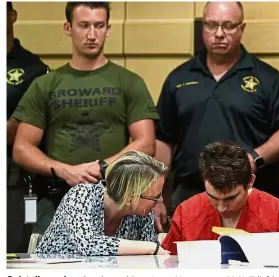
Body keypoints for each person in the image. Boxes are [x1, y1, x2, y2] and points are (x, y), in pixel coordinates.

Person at [11, 2, 158, 234]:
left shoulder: (130, 82)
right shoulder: (45, 84)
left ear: (108, 29)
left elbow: (146, 144)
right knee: (49, 267)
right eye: (84, 25)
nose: (92, 35)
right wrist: (63, 170)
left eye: (99, 26)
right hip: (55, 197)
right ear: (68, 27)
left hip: (113, 197)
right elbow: (21, 148)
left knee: (113, 266)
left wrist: (100, 167)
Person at [154, 1, 279, 219]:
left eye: (228, 26)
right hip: (191, 195)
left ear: (241, 29)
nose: (219, 33)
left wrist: (254, 158)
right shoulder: (179, 78)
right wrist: (156, 194)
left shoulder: (267, 78)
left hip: (250, 195)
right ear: (203, 28)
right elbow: (163, 138)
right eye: (211, 25)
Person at [162, 141, 279, 255]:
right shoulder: (186, 213)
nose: (222, 208)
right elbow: (167, 264)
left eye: (231, 198)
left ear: (250, 182)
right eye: (213, 197)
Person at [35, 151, 170, 256]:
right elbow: (88, 245)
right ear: (130, 197)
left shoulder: (144, 213)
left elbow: (148, 257)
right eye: (155, 197)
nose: (161, 201)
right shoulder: (82, 195)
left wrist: (151, 248)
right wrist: (152, 247)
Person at [6, 1, 50, 253]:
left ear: (12, 16)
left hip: (14, 179)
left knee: (12, 251)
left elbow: (22, 127)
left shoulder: (34, 69)